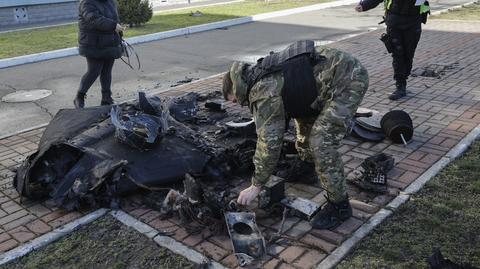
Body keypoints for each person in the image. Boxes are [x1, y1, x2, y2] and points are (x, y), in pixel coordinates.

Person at [222, 40, 369, 229]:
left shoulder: (263, 92)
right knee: (303, 121)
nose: (238, 104)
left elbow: (269, 142)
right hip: (319, 86)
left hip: (347, 80)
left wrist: (256, 185)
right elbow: (294, 96)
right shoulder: (255, 74)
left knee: (321, 142)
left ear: (235, 89)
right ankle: (307, 168)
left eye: (234, 100)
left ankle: (339, 205)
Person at [355, 0, 430, 100]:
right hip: (394, 22)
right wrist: (364, 5)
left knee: (408, 55)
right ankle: (400, 85)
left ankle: (404, 78)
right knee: (398, 54)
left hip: (413, 22)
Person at [74, 0, 125, 108]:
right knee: (94, 71)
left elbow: (115, 19)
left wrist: (119, 31)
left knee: (107, 71)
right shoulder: (87, 3)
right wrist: (113, 25)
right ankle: (79, 97)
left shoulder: (110, 2)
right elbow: (93, 19)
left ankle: (106, 98)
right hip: (93, 44)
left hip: (109, 43)